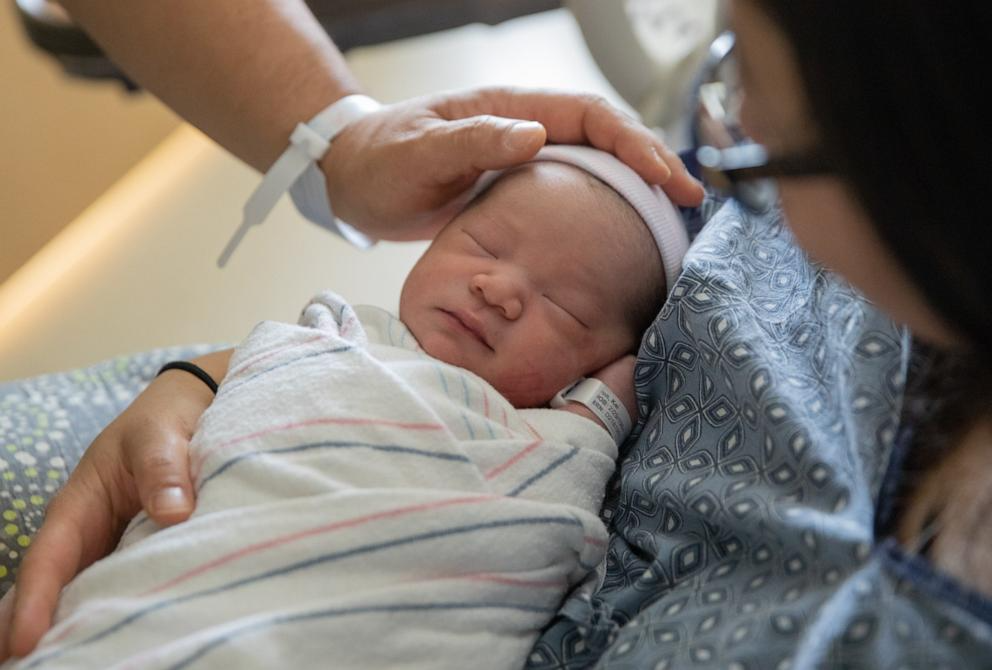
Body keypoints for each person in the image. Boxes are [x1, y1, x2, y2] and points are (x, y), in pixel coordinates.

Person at [5, 0, 992, 667]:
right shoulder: (757, 209)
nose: (727, 134)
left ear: (906, 156)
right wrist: (232, 370)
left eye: (752, 100)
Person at [3, 146, 687, 668]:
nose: (498, 288)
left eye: (565, 307)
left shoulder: (542, 436)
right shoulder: (338, 331)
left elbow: (575, 468)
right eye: (484, 245)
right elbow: (257, 367)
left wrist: (608, 401)